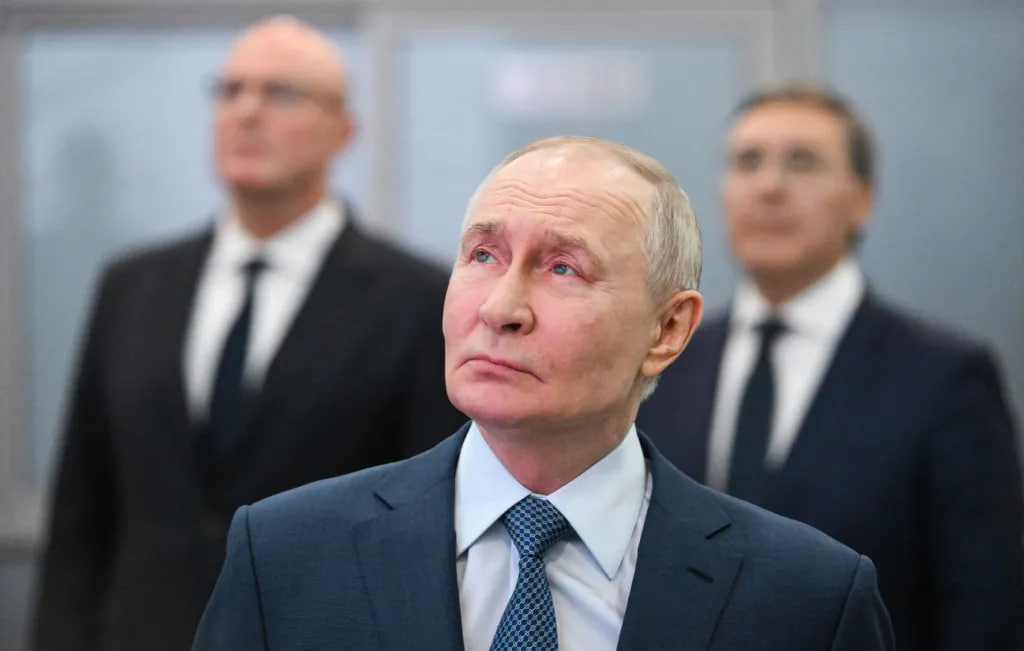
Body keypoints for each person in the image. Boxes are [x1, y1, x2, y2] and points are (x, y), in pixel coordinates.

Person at [192, 136, 894, 650]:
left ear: (667, 329)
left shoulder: (807, 598)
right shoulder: (285, 555)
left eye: (563, 268)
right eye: (483, 255)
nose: (500, 307)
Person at [32, 16, 465, 651]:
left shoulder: (417, 300)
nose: (247, 112)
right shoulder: (132, 287)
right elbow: (81, 511)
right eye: (230, 90)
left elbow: (425, 517)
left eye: (280, 92)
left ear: (344, 131)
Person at [638, 83, 1024, 650]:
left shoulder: (945, 379)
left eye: (802, 162)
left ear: (861, 200)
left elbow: (985, 609)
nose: (769, 186)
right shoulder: (666, 362)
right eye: (748, 161)